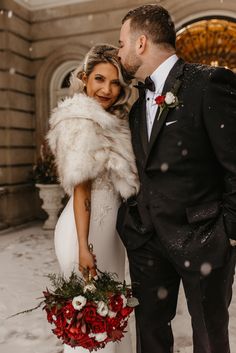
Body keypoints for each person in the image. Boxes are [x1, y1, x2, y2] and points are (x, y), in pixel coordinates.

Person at [117, 4, 236, 353]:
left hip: (204, 238)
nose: (119, 51)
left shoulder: (208, 83)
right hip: (147, 242)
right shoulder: (138, 105)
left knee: (209, 339)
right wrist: (134, 223)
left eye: (122, 42)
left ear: (141, 43)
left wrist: (228, 232)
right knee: (150, 337)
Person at [47, 44, 139, 353]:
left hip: (109, 233)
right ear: (85, 78)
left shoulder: (110, 122)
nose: (108, 89)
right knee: (91, 318)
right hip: (82, 231)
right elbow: (82, 190)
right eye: (99, 79)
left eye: (115, 82)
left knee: (110, 315)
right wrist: (84, 247)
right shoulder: (80, 121)